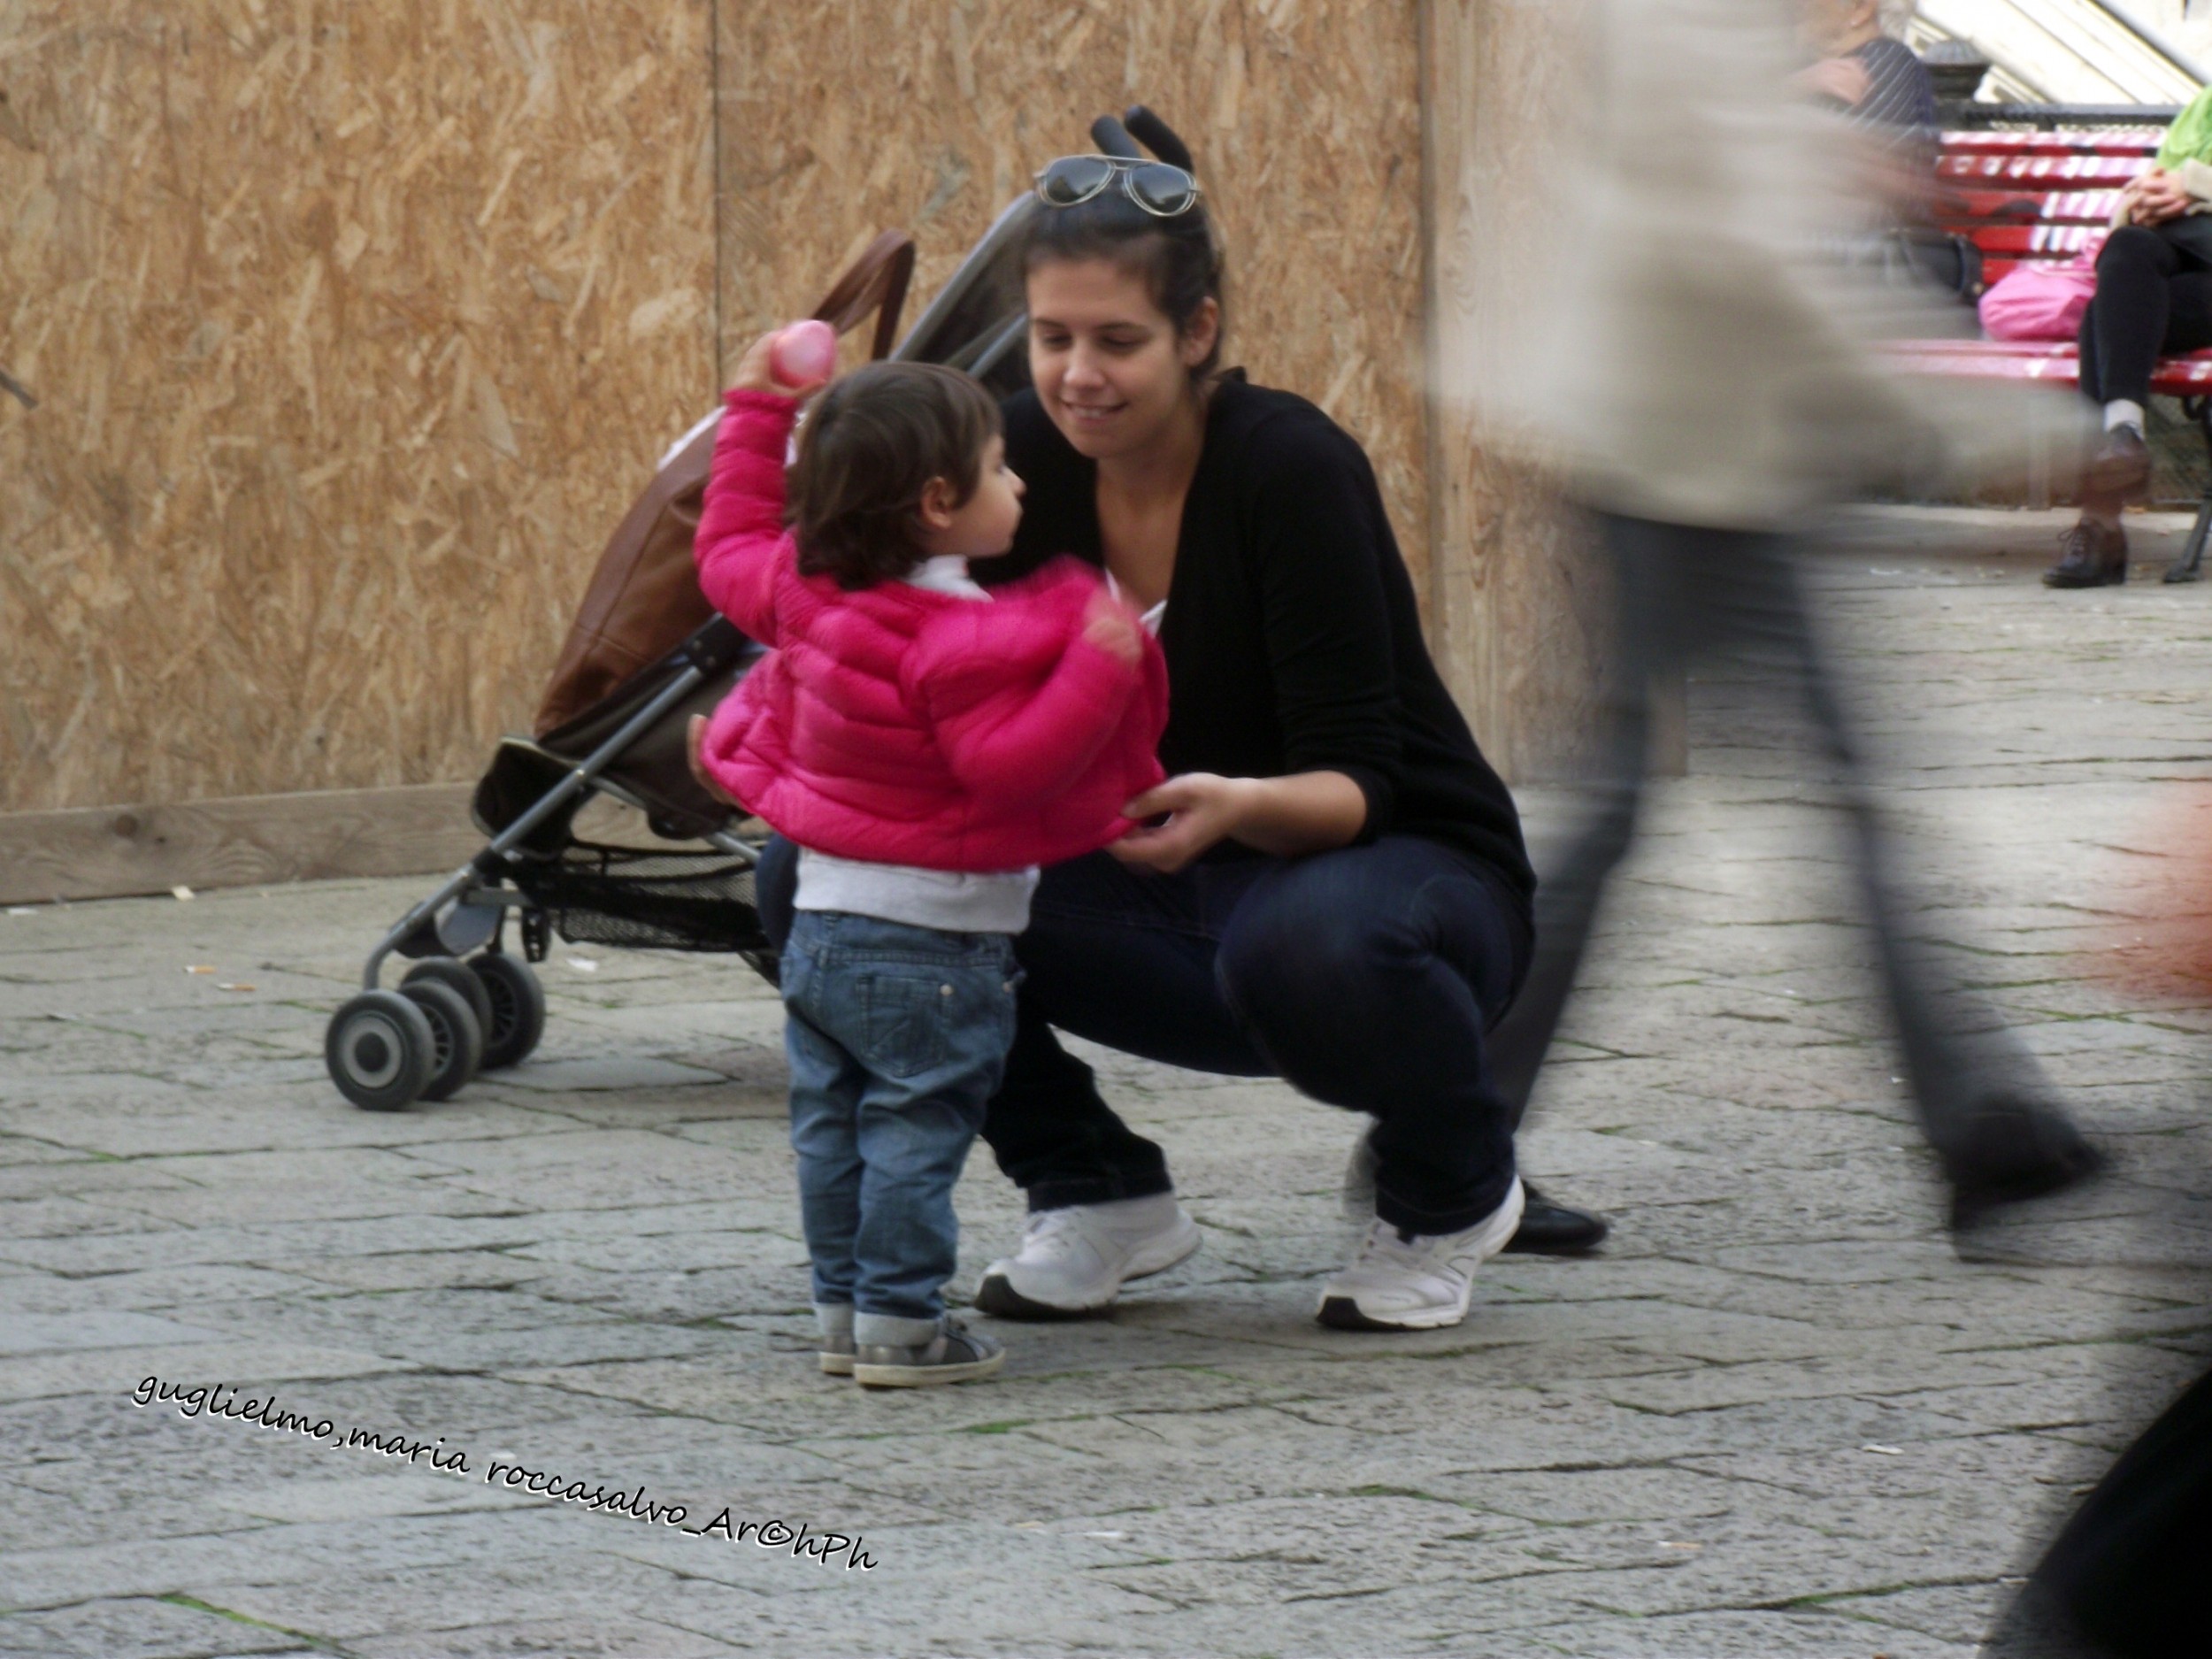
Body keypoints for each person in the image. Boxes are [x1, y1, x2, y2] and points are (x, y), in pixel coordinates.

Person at [757, 138, 1593, 1333]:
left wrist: (1234, 804)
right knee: (817, 874)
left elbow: (1360, 779)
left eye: (1118, 341)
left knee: (1314, 942)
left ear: (1196, 332)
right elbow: (877, 643)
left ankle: (1448, 1187)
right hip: (1146, 886)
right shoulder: (1012, 465)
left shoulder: (1288, 466)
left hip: (1382, 883)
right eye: (1052, 337)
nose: (1078, 375)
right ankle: (1092, 1186)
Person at [1484, 0, 2101, 1229]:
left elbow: (1719, 175)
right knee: (1696, 804)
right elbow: (1738, 247)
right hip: (1681, 452)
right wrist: (2005, 432)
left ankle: (1451, 1139)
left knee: (1696, 803)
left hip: (1708, 440)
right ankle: (1448, 1140)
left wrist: (1820, 156)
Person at [690, 344, 1168, 1386]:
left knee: (833, 1130)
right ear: (940, 502)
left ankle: (842, 1310)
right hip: (935, 942)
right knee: (916, 1131)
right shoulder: (962, 639)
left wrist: (758, 408)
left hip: (819, 924)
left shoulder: (801, 592)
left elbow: (725, 544)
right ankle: (903, 1324)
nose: (1020, 483)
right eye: (1000, 467)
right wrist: (1097, 664)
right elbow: (1011, 769)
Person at [2047, 81, 2212, 589]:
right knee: (2124, 264)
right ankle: (2125, 436)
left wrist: (2197, 187)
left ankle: (2100, 527)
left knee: (2106, 314)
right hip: (2186, 266)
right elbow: (2156, 187)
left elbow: (2189, 182)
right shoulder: (2206, 104)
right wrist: (2145, 203)